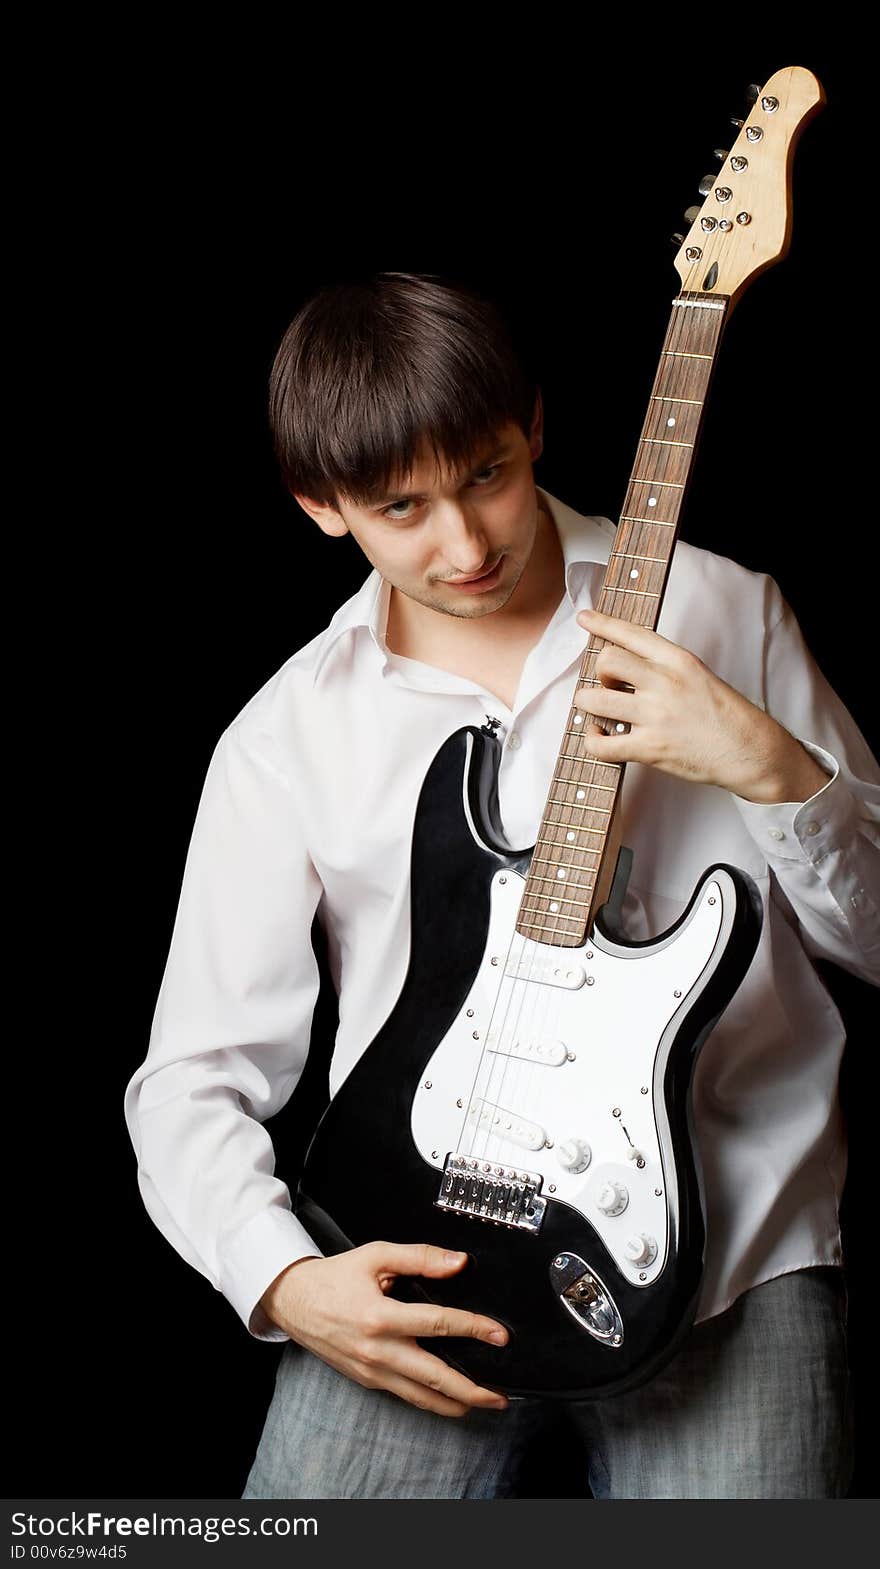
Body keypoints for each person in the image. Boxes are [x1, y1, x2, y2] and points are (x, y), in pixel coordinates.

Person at [123, 270, 879, 1499]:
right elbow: (192, 1076)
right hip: (413, 1269)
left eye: (485, 474)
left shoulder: (725, 612)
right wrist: (282, 1279)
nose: (464, 544)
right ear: (321, 507)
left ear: (533, 424)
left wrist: (770, 767)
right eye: (400, 508)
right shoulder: (289, 734)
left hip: (734, 1261)